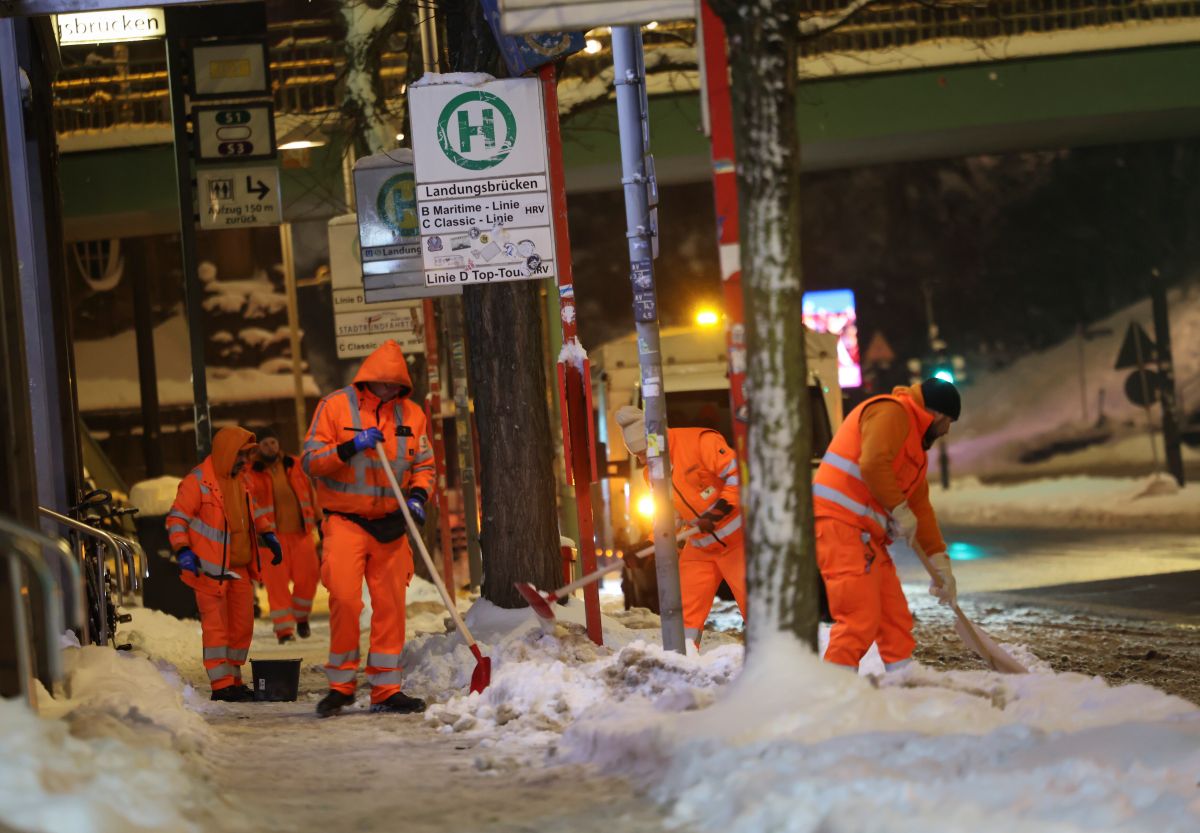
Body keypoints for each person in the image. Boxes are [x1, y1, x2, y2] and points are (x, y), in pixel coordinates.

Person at [302, 339, 436, 717]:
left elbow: (424, 465)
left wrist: (417, 498)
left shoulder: (411, 416)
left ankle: (386, 688)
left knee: (391, 607)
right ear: (369, 380)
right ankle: (341, 686)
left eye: (398, 386)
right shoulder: (334, 407)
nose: (392, 391)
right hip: (345, 521)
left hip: (391, 524)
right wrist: (350, 447)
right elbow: (310, 462)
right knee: (345, 599)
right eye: (386, 383)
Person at [813, 377, 961, 672]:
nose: (946, 431)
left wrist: (938, 559)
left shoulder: (915, 449)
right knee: (859, 617)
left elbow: (920, 507)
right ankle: (834, 691)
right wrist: (898, 508)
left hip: (866, 536)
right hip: (840, 525)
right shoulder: (892, 412)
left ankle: (903, 679)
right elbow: (873, 463)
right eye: (949, 423)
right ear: (940, 416)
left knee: (894, 616)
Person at [166, 426, 282, 701]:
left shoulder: (241, 481)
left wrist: (267, 533)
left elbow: (250, 511)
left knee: (241, 626)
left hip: (239, 568)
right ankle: (222, 686)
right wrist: (182, 550)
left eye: (247, 454)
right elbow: (177, 519)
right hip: (209, 570)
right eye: (241, 454)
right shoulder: (198, 481)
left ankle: (234, 680)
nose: (246, 460)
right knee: (217, 628)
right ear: (227, 453)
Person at [614, 405, 745, 647]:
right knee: (686, 609)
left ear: (656, 441)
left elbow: (738, 474)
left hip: (740, 543)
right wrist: (649, 545)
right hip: (702, 547)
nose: (642, 460)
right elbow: (667, 518)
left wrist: (721, 508)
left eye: (644, 452)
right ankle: (685, 656)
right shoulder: (652, 473)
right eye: (637, 456)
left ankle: (773, 660)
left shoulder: (699, 442)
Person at [245, 426, 322, 644]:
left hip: (301, 534)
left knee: (309, 577)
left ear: (278, 444)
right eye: (265, 443)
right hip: (271, 541)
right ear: (258, 447)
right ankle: (284, 631)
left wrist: (319, 519)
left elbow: (310, 493)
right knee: (277, 587)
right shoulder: (251, 473)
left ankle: (301, 617)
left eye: (273, 442)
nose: (270, 447)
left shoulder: (295, 464)